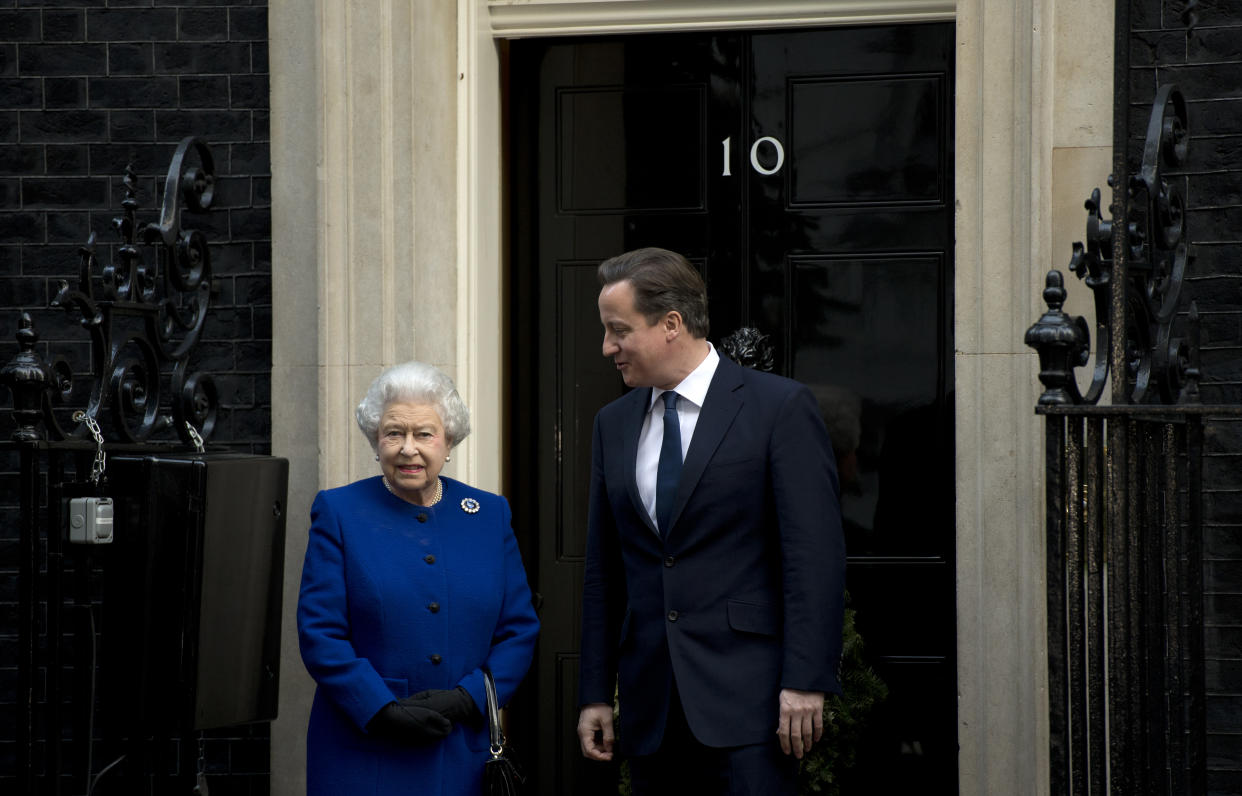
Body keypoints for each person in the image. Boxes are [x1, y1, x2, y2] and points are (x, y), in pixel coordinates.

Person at [577, 247, 846, 795]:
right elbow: (603, 569)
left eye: (618, 330)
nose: (608, 347)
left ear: (671, 324)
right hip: (652, 707)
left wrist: (805, 681)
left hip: (753, 705)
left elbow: (811, 556)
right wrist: (596, 693)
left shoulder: (778, 407)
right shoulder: (613, 423)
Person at [297, 361, 539, 796]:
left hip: (460, 748)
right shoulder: (339, 512)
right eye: (394, 433)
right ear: (376, 440)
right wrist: (380, 707)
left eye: (424, 434)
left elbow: (519, 630)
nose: (409, 448)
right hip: (364, 748)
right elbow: (320, 633)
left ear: (449, 442)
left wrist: (468, 698)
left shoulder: (488, 515)